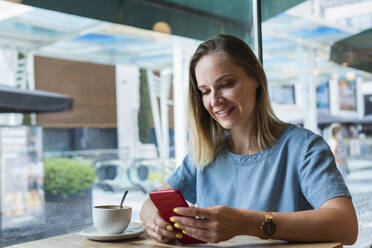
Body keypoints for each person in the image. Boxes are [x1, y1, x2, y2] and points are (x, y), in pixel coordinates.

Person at [140, 35, 358, 245]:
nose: (215, 100)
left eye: (226, 84)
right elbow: (151, 202)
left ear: (256, 77)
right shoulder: (205, 153)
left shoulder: (304, 148)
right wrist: (155, 222)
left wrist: (245, 223)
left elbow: (346, 226)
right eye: (205, 91)